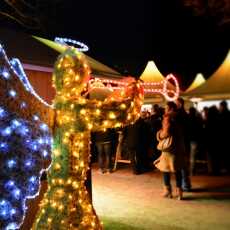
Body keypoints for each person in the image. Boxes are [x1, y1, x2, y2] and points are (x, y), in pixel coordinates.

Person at [154, 101, 186, 200]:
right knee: (178, 170)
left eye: (166, 108)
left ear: (171, 109)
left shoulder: (167, 118)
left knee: (165, 169)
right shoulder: (182, 116)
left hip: (169, 149)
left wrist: (158, 134)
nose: (165, 110)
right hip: (178, 147)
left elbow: (165, 133)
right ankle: (179, 192)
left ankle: (167, 191)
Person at [176, 97, 192, 191]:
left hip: (181, 142)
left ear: (180, 104)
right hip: (185, 141)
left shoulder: (179, 115)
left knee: (181, 164)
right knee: (184, 163)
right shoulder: (186, 114)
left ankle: (185, 184)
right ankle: (186, 184)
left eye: (176, 103)